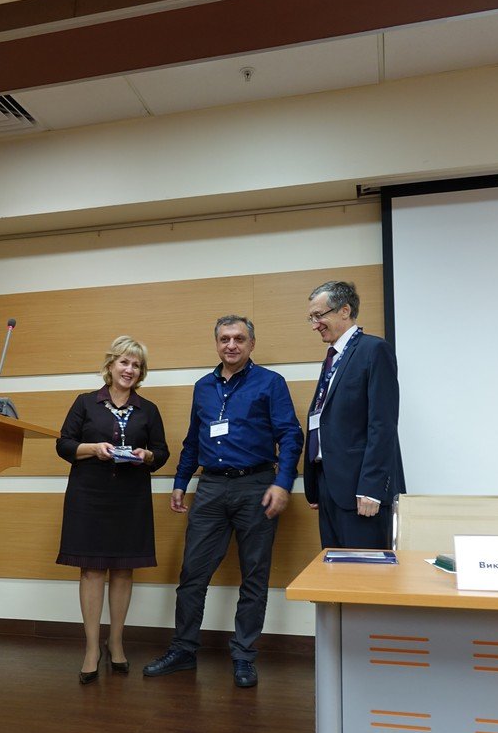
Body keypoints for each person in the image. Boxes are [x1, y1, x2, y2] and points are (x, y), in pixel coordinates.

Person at [143, 315, 304, 689]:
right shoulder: (203, 387)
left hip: (257, 486)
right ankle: (183, 650)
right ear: (216, 343)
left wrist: (283, 483)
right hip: (211, 488)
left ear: (251, 344)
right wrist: (181, 482)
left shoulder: (271, 383)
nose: (231, 345)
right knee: (192, 574)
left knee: (254, 576)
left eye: (239, 339)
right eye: (225, 339)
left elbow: (290, 436)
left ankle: (244, 656)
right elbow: (193, 440)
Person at [56, 336, 169, 684]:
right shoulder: (85, 403)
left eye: (136, 365)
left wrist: (146, 456)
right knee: (91, 570)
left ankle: (116, 643)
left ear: (141, 372)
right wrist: (94, 448)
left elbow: (161, 453)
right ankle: (92, 648)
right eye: (124, 362)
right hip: (89, 496)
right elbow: (64, 444)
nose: (129, 369)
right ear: (110, 365)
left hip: (130, 499)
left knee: (123, 571)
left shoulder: (148, 409)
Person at [303, 280, 405, 550]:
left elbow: (382, 424)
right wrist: (316, 484)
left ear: (345, 310)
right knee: (335, 569)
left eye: (319, 316)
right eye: (311, 318)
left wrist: (372, 488)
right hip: (330, 485)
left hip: (362, 489)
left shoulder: (374, 350)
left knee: (364, 571)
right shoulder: (333, 358)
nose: (314, 325)